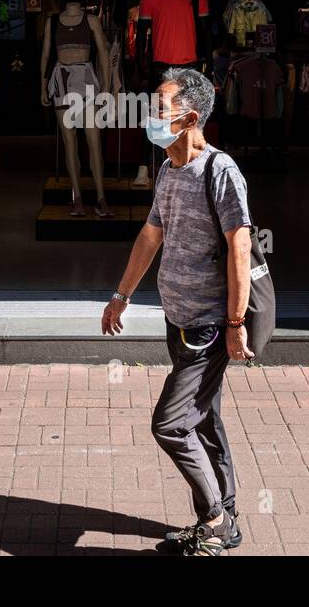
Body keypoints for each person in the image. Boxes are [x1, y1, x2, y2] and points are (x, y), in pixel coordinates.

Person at [101, 67, 254, 556]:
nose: (150, 116)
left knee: (170, 423)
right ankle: (224, 512)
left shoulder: (220, 171)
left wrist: (234, 323)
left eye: (159, 108)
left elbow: (240, 249)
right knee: (203, 417)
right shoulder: (168, 168)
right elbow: (152, 234)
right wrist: (121, 295)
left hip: (209, 327)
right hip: (178, 318)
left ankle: (214, 519)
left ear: (189, 117)